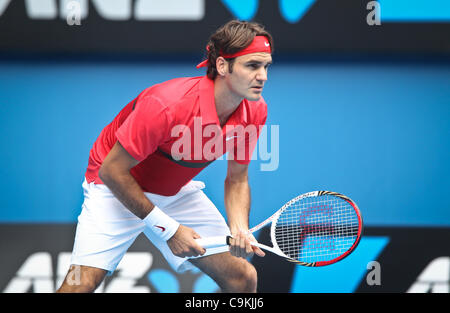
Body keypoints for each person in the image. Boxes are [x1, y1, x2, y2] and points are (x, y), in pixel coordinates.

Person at [57, 19, 273, 293]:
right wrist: (168, 229)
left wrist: (239, 226)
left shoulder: (255, 110)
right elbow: (111, 171)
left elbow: (238, 179)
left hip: (173, 190)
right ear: (222, 66)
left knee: (242, 278)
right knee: (80, 285)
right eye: (252, 65)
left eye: (266, 66)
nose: (263, 76)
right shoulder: (167, 105)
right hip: (115, 185)